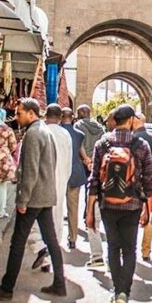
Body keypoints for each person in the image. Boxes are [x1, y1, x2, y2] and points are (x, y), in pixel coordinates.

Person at [0, 98, 66, 300]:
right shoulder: (44, 131)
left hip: (34, 198)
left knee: (17, 242)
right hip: (45, 195)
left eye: (19, 113)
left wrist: (22, 200)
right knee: (51, 240)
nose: (17, 117)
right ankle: (59, 283)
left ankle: (6, 288)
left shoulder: (34, 134)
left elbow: (31, 171)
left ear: (31, 113)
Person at [86, 104, 152, 303]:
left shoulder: (102, 144)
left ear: (115, 120)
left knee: (113, 248)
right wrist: (148, 210)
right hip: (132, 205)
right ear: (132, 120)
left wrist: (89, 211)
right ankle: (124, 293)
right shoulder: (141, 145)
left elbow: (94, 180)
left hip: (108, 205)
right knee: (130, 249)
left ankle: (117, 292)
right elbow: (148, 181)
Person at [32, 104, 73, 270]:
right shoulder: (66, 135)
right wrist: (64, 178)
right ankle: (49, 254)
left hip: (42, 181)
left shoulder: (40, 132)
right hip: (61, 181)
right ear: (61, 117)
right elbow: (69, 161)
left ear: (45, 115)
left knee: (36, 219)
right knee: (55, 220)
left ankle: (42, 249)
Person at [75, 106, 106, 267]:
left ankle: (87, 215)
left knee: (83, 191)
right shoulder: (99, 127)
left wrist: (86, 159)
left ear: (80, 114)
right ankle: (91, 211)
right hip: (97, 161)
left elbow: (79, 143)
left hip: (83, 161)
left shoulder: (78, 126)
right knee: (93, 189)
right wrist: (94, 159)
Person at [133, 113, 152, 263]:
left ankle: (127, 248)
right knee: (149, 218)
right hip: (151, 183)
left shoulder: (132, 139)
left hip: (134, 183)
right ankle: (146, 251)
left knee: (131, 216)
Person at [62, 107, 90, 251]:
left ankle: (53, 238)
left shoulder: (55, 131)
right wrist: (86, 160)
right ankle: (72, 239)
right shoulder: (79, 134)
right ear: (72, 117)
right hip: (75, 172)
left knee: (55, 207)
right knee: (73, 208)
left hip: (59, 173)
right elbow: (81, 151)